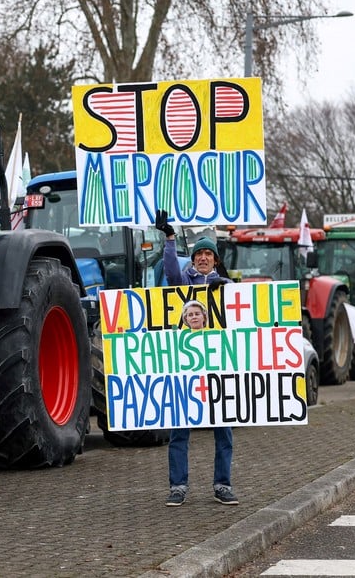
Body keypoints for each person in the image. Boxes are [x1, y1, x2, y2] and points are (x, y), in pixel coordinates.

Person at [154, 209, 238, 507]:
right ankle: (178, 486)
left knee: (224, 432)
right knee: (179, 432)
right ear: (193, 259)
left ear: (215, 260)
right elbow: (169, 271)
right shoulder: (182, 279)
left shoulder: (225, 284)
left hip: (216, 370)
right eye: (199, 253)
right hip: (185, 371)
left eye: (208, 254)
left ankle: (222, 485)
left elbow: (244, 312)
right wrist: (169, 238)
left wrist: (224, 287)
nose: (203, 258)